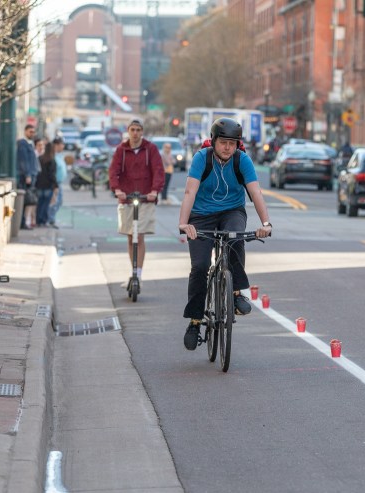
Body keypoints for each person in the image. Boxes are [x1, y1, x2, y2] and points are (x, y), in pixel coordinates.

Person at [178, 118, 273, 350]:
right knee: (200, 266)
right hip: (201, 215)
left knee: (235, 237)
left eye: (232, 143)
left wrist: (266, 223)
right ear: (214, 141)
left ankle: (237, 292)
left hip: (232, 211)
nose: (227, 147)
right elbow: (190, 191)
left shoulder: (243, 160)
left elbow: (255, 192)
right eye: (223, 142)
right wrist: (184, 223)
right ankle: (195, 321)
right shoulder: (202, 158)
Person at [109, 119, 165, 284]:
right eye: (132, 130)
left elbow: (158, 170)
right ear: (128, 131)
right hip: (126, 198)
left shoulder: (151, 149)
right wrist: (117, 189)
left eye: (138, 130)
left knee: (139, 236)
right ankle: (133, 270)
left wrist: (155, 191)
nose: (135, 133)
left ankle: (138, 273)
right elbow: (113, 171)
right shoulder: (121, 149)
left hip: (145, 198)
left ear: (142, 132)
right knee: (129, 236)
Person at [16, 125, 39, 229]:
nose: (32, 134)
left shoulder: (30, 143)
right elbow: (24, 161)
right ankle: (22, 222)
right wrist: (28, 175)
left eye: (33, 132)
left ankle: (25, 221)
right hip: (26, 177)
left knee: (28, 201)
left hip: (31, 175)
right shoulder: (23, 144)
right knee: (25, 201)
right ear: (25, 131)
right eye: (30, 131)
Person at [35, 141, 58, 227]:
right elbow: (52, 175)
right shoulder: (52, 160)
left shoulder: (40, 158)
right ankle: (43, 221)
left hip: (39, 184)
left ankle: (38, 220)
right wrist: (55, 185)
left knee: (40, 203)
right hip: (48, 185)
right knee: (46, 204)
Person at [48, 138, 66, 228]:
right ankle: (51, 220)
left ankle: (51, 218)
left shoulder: (59, 155)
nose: (63, 146)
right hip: (55, 183)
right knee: (55, 202)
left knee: (59, 202)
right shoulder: (52, 155)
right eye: (62, 144)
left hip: (59, 182)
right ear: (57, 145)